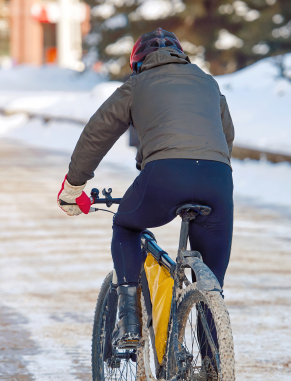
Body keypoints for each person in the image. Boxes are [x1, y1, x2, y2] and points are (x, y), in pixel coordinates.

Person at [56, 28, 234, 350]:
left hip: (165, 176)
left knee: (126, 225)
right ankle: (213, 374)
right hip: (217, 179)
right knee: (212, 286)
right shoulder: (208, 83)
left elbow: (98, 132)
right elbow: (226, 135)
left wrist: (74, 185)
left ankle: (129, 321)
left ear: (138, 63)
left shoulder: (137, 85)